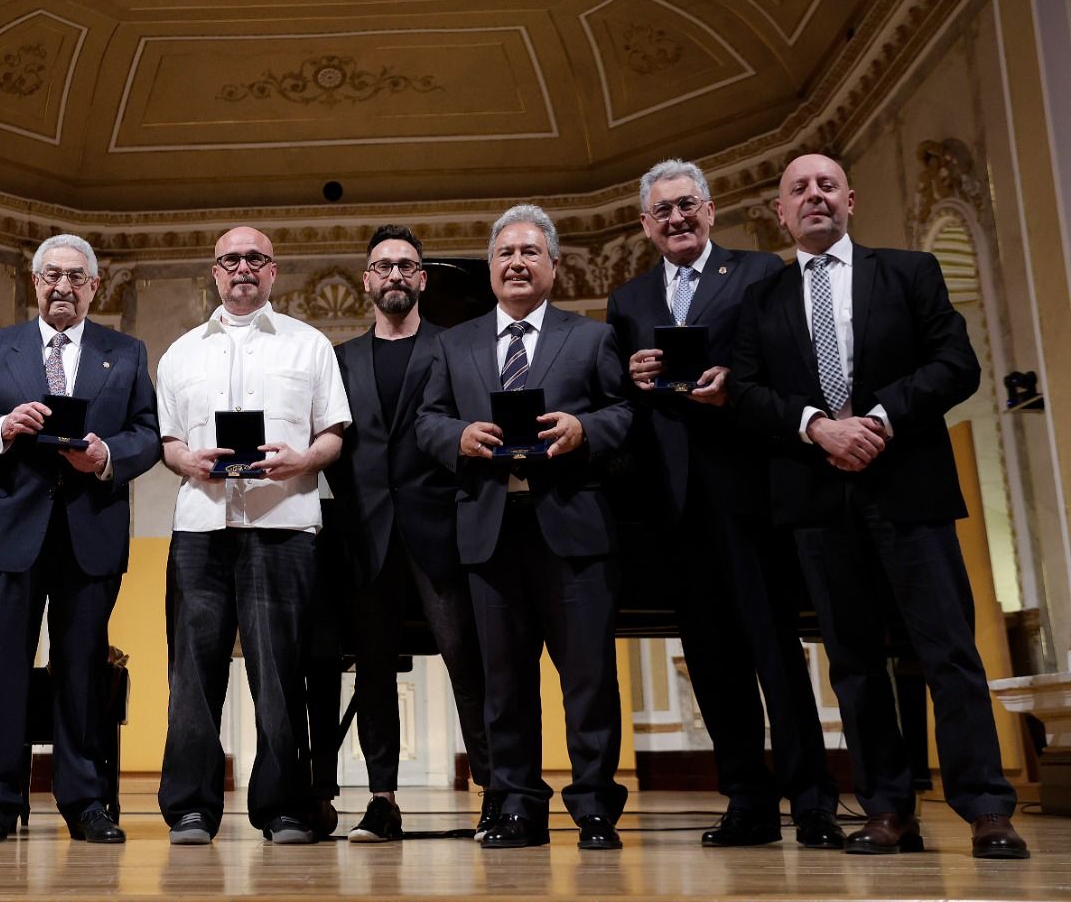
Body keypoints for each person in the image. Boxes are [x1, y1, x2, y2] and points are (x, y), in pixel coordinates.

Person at [728, 152, 1029, 859]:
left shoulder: (909, 273)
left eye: (826, 185)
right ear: (780, 211)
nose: (813, 197)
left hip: (909, 489)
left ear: (851, 200)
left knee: (947, 651)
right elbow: (743, 390)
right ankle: (888, 809)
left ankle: (987, 808)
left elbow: (957, 363)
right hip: (818, 501)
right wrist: (816, 426)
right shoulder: (760, 301)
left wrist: (881, 418)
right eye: (798, 189)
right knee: (855, 663)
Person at [605, 159, 842, 848]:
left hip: (753, 489)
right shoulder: (629, 301)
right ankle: (747, 800)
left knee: (775, 650)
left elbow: (787, 363)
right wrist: (633, 374)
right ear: (647, 226)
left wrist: (731, 383)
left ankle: (815, 800)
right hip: (674, 506)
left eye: (687, 206)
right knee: (710, 659)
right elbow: (624, 406)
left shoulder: (760, 272)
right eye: (662, 212)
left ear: (709, 211)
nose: (676, 219)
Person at [416, 205, 633, 851]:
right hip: (491, 528)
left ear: (554, 266)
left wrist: (584, 430)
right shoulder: (452, 345)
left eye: (530, 252)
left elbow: (625, 413)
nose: (516, 262)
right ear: (489, 268)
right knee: (503, 683)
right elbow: (426, 421)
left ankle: (595, 809)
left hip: (572, 527)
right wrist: (459, 435)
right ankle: (517, 808)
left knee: (588, 676)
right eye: (505, 253)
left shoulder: (591, 338)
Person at [0, 234, 160, 845]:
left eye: (75, 277)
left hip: (91, 531)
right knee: (5, 667)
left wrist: (107, 454)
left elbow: (148, 432)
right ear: (35, 282)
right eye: (51, 275)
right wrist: (3, 427)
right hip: (11, 530)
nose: (62, 286)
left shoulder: (128, 352)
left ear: (95, 286)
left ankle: (86, 802)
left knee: (82, 671)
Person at [156, 226, 351, 845]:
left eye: (255, 259)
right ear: (214, 272)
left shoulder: (310, 344)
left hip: (283, 525)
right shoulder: (179, 353)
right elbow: (168, 443)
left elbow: (335, 434)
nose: (243, 268)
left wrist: (302, 461)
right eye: (231, 259)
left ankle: (284, 807)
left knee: (279, 671)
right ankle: (191, 806)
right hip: (201, 528)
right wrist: (187, 461)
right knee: (192, 673)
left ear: (273, 271)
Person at [327, 224, 494, 842]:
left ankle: (493, 789)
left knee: (465, 664)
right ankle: (381, 798)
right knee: (372, 671)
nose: (394, 275)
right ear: (367, 281)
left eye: (405, 266)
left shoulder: (457, 347)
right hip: (364, 537)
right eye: (382, 266)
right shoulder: (339, 358)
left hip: (441, 531)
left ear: (421, 279)